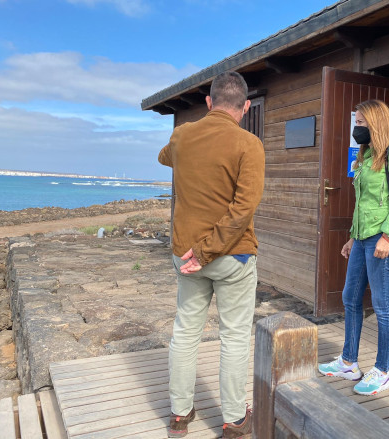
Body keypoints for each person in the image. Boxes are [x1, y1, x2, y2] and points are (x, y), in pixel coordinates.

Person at [158, 71, 265, 438]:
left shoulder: (182, 135)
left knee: (185, 332)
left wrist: (190, 140)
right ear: (245, 106)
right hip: (231, 256)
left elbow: (164, 157)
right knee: (234, 337)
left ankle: (180, 414)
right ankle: (234, 420)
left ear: (208, 102)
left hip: (186, 254)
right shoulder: (249, 144)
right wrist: (207, 252)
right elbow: (243, 209)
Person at [318, 99, 389, 395]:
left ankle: (382, 371)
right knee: (350, 297)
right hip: (362, 238)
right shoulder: (367, 154)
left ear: (376, 123)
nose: (356, 127)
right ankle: (349, 362)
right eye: (356, 122)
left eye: (360, 122)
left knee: (382, 306)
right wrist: (352, 236)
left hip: (382, 238)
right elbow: (363, 203)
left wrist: (387, 236)